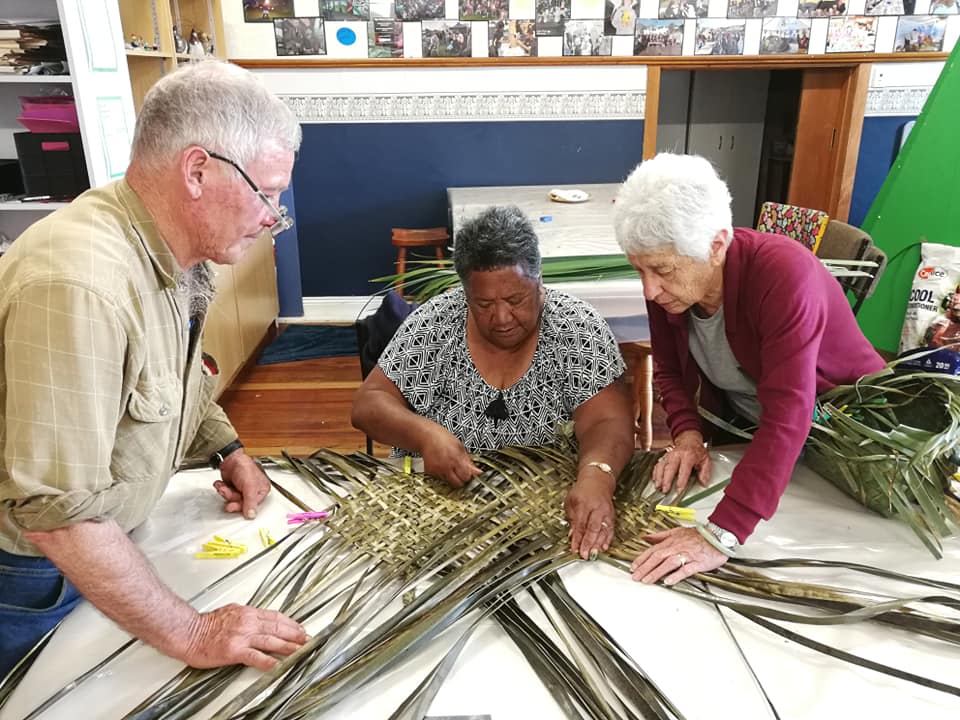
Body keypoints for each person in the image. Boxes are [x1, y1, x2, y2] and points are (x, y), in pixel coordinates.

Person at [0, 59, 307, 678]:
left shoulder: (175, 252)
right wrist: (192, 632)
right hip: (36, 577)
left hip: (103, 543)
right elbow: (55, 512)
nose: (274, 216)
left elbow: (174, 376)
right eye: (268, 193)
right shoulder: (80, 284)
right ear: (197, 171)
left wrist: (227, 448)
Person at [612, 154, 885, 586]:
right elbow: (668, 367)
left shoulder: (782, 275)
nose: (649, 288)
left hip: (848, 429)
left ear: (717, 245)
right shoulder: (670, 283)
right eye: (639, 269)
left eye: (661, 270)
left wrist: (721, 533)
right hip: (756, 432)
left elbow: (789, 415)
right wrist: (686, 433)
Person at [351, 206, 635, 560]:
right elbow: (369, 403)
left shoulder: (576, 326)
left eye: (515, 300)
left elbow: (607, 421)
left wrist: (597, 476)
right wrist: (424, 435)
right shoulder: (437, 323)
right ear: (465, 294)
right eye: (483, 304)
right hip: (433, 509)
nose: (501, 318)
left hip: (544, 507)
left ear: (539, 282)